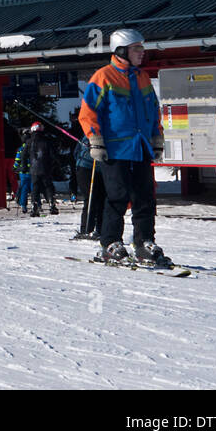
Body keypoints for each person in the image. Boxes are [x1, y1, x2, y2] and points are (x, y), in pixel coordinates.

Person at [80, 28, 168, 266]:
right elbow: (88, 112)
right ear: (121, 51)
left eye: (142, 47)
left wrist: (156, 139)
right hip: (115, 149)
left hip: (139, 147)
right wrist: (95, 140)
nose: (142, 52)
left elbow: (153, 111)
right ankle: (110, 242)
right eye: (137, 48)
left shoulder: (142, 77)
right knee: (117, 196)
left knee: (145, 197)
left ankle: (143, 242)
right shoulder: (103, 77)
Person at [72, 121, 106, 240]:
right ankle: (86, 229)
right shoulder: (88, 134)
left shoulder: (109, 133)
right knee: (90, 198)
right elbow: (76, 152)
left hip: (101, 169)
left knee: (102, 199)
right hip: (86, 168)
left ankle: (101, 229)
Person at [27, 121, 59, 216]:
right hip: (46, 168)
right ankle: (51, 204)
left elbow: (24, 155)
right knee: (48, 186)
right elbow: (53, 154)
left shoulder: (29, 142)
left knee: (35, 187)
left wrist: (24, 166)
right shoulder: (46, 141)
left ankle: (34, 205)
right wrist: (56, 163)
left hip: (34, 168)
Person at [13, 137, 32, 213]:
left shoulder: (20, 149)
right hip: (32, 171)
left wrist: (14, 167)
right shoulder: (33, 148)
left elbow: (17, 160)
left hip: (23, 172)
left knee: (24, 188)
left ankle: (23, 205)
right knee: (34, 188)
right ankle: (37, 204)